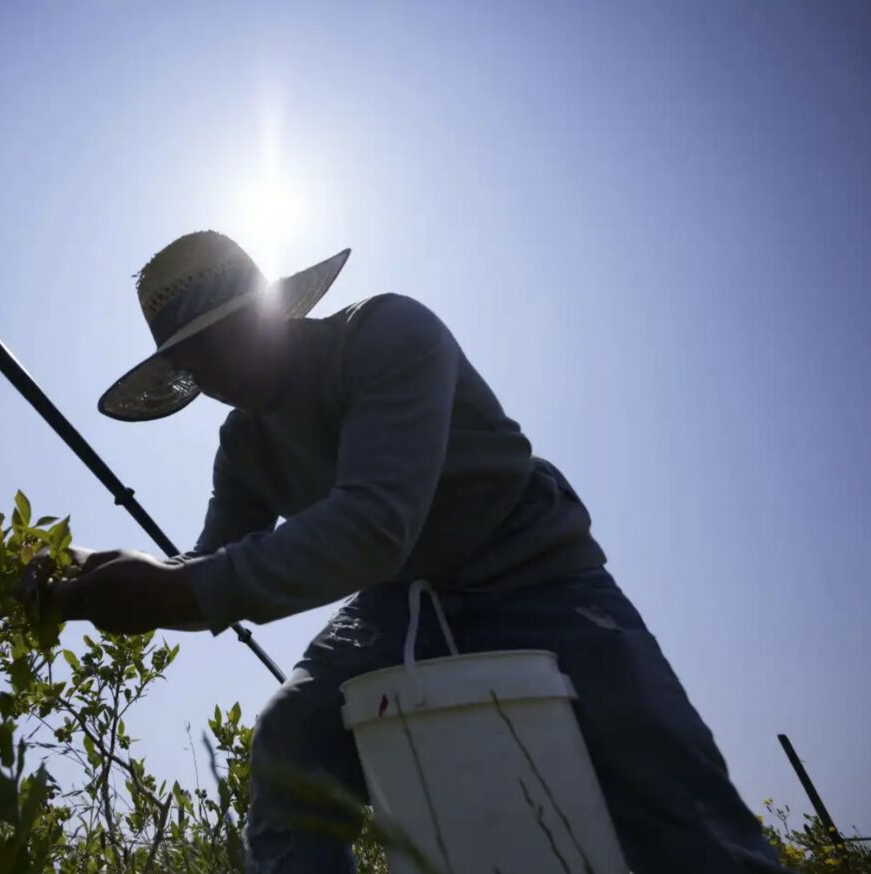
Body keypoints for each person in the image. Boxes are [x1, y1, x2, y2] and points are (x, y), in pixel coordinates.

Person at [52, 230, 787, 873]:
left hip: (535, 569)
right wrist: (86, 571)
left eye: (221, 339)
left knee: (669, 785)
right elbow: (210, 559)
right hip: (398, 599)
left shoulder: (384, 334)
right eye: (192, 360)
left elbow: (373, 523)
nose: (212, 374)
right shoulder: (243, 445)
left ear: (268, 310)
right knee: (293, 737)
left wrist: (176, 596)